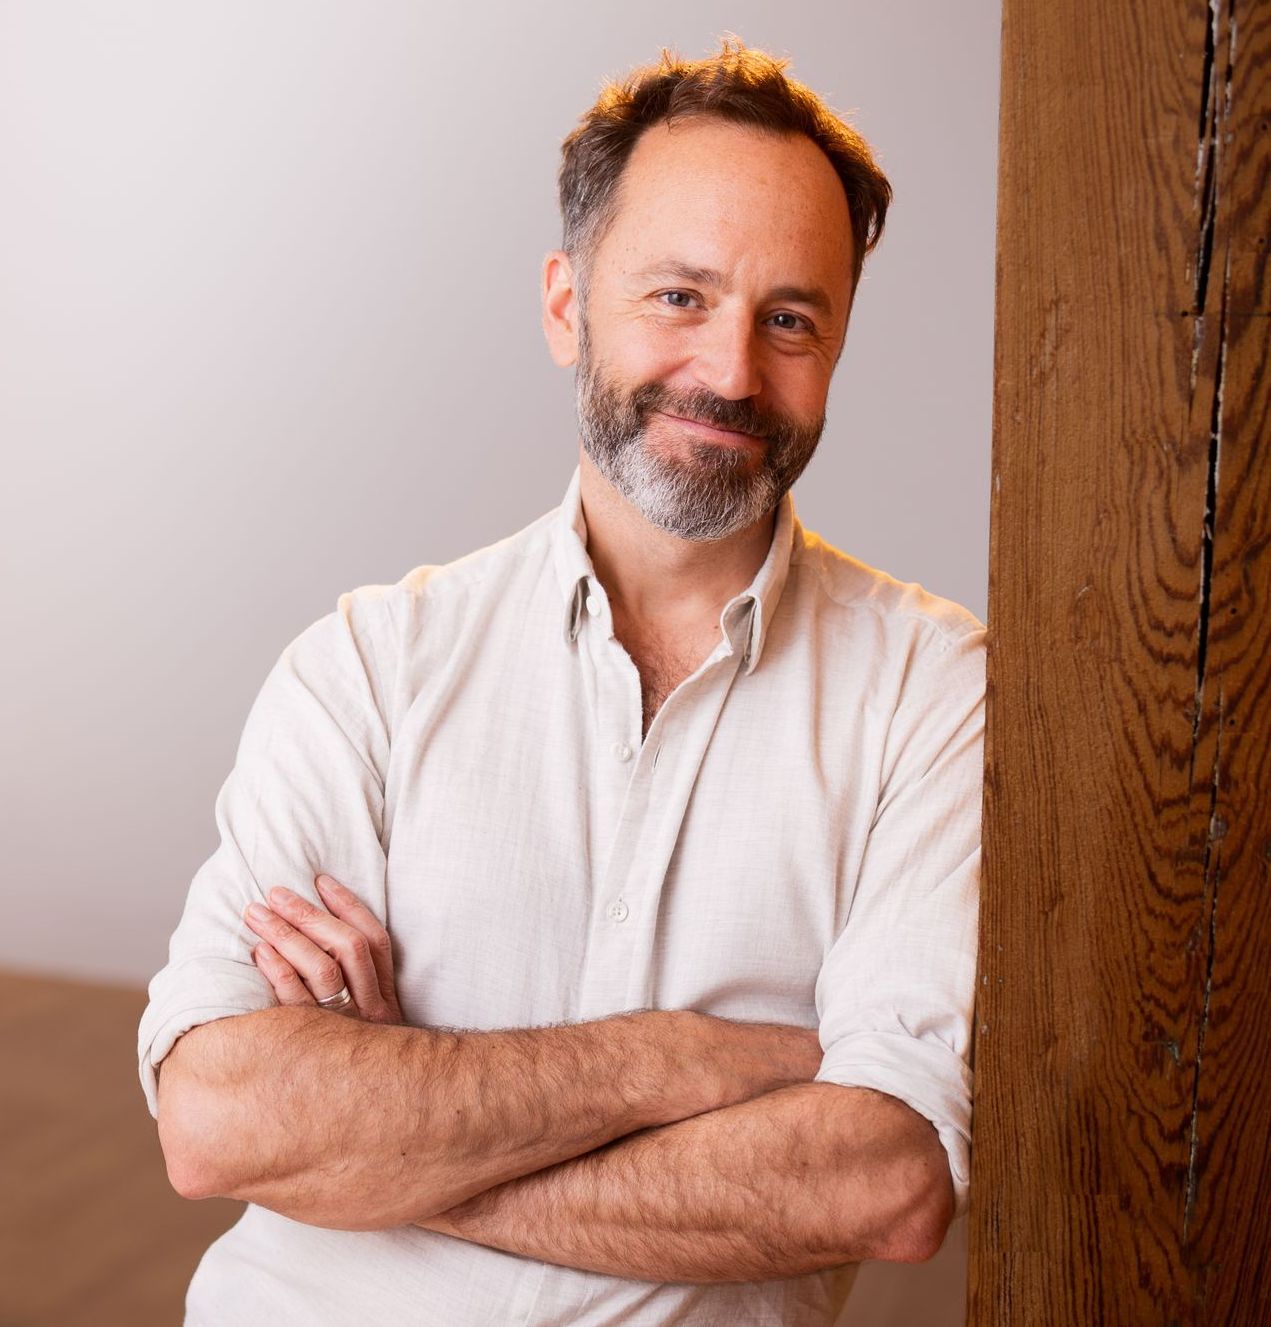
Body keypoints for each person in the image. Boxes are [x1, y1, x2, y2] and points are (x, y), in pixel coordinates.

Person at [139, 37, 986, 1326]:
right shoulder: (369, 666)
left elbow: (884, 1174)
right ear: (564, 304)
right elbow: (219, 1118)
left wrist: (383, 1139)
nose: (732, 372)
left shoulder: (937, 693)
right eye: (679, 297)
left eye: (791, 319)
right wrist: (689, 1063)